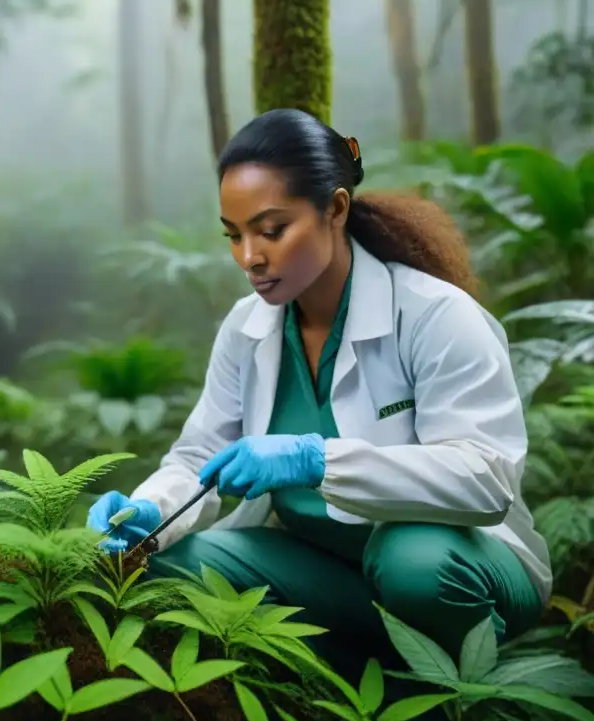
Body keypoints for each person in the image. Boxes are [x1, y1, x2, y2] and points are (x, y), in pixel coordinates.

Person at [86, 109, 551, 688]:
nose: (250, 256)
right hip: (329, 568)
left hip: (460, 569)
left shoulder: (436, 315)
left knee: (412, 560)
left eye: (271, 230)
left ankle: (450, 695)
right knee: (169, 567)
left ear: (334, 208)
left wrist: (316, 458)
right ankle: (358, 677)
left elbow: (487, 479)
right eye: (234, 235)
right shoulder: (246, 329)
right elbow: (196, 456)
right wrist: (151, 510)